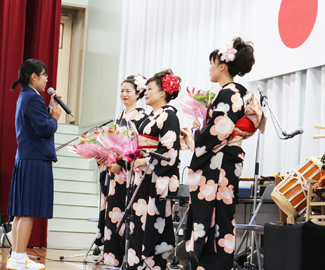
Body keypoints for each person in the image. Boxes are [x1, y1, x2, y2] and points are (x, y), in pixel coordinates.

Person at [185, 37, 255, 270]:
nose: (209, 68)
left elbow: (219, 130)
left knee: (216, 218)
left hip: (219, 164)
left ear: (222, 66)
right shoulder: (230, 93)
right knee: (216, 217)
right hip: (221, 161)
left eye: (212, 63)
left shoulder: (229, 93)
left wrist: (198, 134)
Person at [6, 59, 62, 270]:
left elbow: (37, 125)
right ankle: (19, 256)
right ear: (34, 76)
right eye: (44, 75)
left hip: (26, 157)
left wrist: (49, 109)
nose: (47, 79)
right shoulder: (33, 98)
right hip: (34, 160)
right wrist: (55, 117)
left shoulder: (26, 96)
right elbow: (43, 129)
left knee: (22, 211)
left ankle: (18, 255)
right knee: (27, 211)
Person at [130, 69, 181, 269]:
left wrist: (146, 160)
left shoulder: (169, 116)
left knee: (151, 225)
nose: (146, 92)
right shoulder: (151, 116)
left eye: (150, 88)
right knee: (137, 222)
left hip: (154, 177)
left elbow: (169, 151)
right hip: (142, 175)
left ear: (162, 93)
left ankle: (152, 265)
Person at [94, 75, 147, 267]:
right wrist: (104, 157)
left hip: (130, 176)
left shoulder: (141, 117)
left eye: (128, 91)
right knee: (113, 217)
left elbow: (140, 149)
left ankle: (127, 261)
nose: (124, 94)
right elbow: (113, 146)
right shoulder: (119, 118)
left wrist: (122, 164)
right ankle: (111, 261)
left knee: (127, 219)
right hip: (115, 175)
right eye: (122, 90)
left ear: (138, 93)